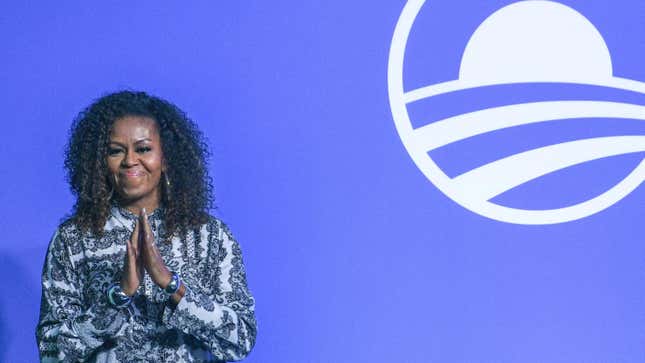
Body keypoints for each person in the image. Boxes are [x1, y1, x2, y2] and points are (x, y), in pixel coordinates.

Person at [36, 91, 257, 362]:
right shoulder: (73, 240)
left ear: (166, 158)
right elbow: (51, 353)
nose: (130, 160)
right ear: (100, 163)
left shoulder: (211, 237)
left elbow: (241, 339)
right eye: (115, 151)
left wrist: (172, 285)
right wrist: (117, 297)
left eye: (143, 149)